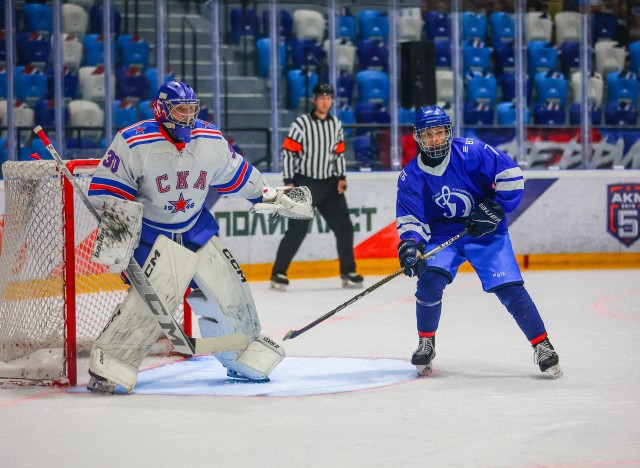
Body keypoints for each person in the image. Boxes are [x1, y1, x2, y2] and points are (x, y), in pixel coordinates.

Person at [85, 79, 313, 393]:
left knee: (230, 289)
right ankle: (112, 360)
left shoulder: (209, 137)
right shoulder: (133, 141)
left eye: (192, 108)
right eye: (180, 108)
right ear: (162, 109)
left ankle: (241, 350)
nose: (188, 115)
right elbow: (108, 193)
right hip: (153, 235)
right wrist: (117, 238)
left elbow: (237, 175)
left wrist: (271, 196)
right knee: (154, 303)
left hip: (195, 227)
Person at [396, 105, 562, 379]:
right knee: (429, 281)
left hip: (486, 230)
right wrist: (411, 246)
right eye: (429, 134)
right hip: (443, 234)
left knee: (509, 288)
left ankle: (543, 345)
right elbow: (411, 218)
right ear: (418, 137)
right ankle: (426, 341)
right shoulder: (410, 177)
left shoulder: (472, 151)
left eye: (439, 132)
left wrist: (496, 208)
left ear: (448, 132)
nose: (435, 139)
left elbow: (511, 175)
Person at [270, 82, 363, 290]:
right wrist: (289, 181)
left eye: (329, 98)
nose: (325, 101)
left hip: (330, 184)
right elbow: (288, 153)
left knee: (344, 228)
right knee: (297, 231)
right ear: (314, 100)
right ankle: (278, 273)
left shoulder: (336, 124)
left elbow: (338, 153)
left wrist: (341, 177)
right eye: (322, 97)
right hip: (305, 183)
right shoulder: (301, 124)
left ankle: (348, 270)